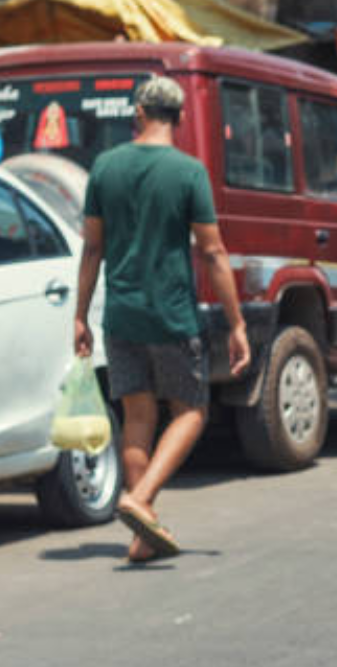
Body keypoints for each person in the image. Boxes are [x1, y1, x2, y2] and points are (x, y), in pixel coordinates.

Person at [73, 76, 250, 563]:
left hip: (122, 315)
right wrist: (236, 324)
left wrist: (80, 315)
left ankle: (142, 535)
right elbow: (212, 252)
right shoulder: (188, 172)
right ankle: (140, 499)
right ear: (181, 119)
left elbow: (92, 246)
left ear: (138, 114)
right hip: (171, 315)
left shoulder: (105, 167)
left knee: (138, 417)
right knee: (191, 410)